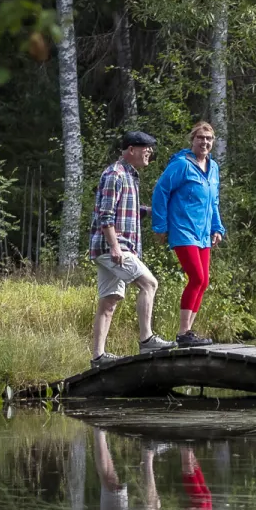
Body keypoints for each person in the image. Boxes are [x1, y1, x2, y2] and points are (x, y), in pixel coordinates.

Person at [88, 131, 176, 367]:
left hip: (116, 248)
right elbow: (105, 215)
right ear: (131, 150)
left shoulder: (130, 176)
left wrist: (160, 212)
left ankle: (98, 357)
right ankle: (147, 339)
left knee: (110, 300)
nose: (150, 152)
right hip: (113, 247)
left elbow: (130, 211)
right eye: (145, 147)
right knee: (150, 283)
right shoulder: (114, 174)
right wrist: (115, 247)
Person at [151, 121, 226, 348]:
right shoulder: (181, 165)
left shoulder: (213, 168)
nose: (205, 142)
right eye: (200, 138)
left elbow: (213, 201)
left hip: (203, 233)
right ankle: (183, 333)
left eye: (209, 139)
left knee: (204, 282)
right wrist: (160, 226)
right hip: (183, 229)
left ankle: (187, 333)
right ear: (192, 140)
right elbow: (160, 191)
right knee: (197, 278)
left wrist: (217, 228)